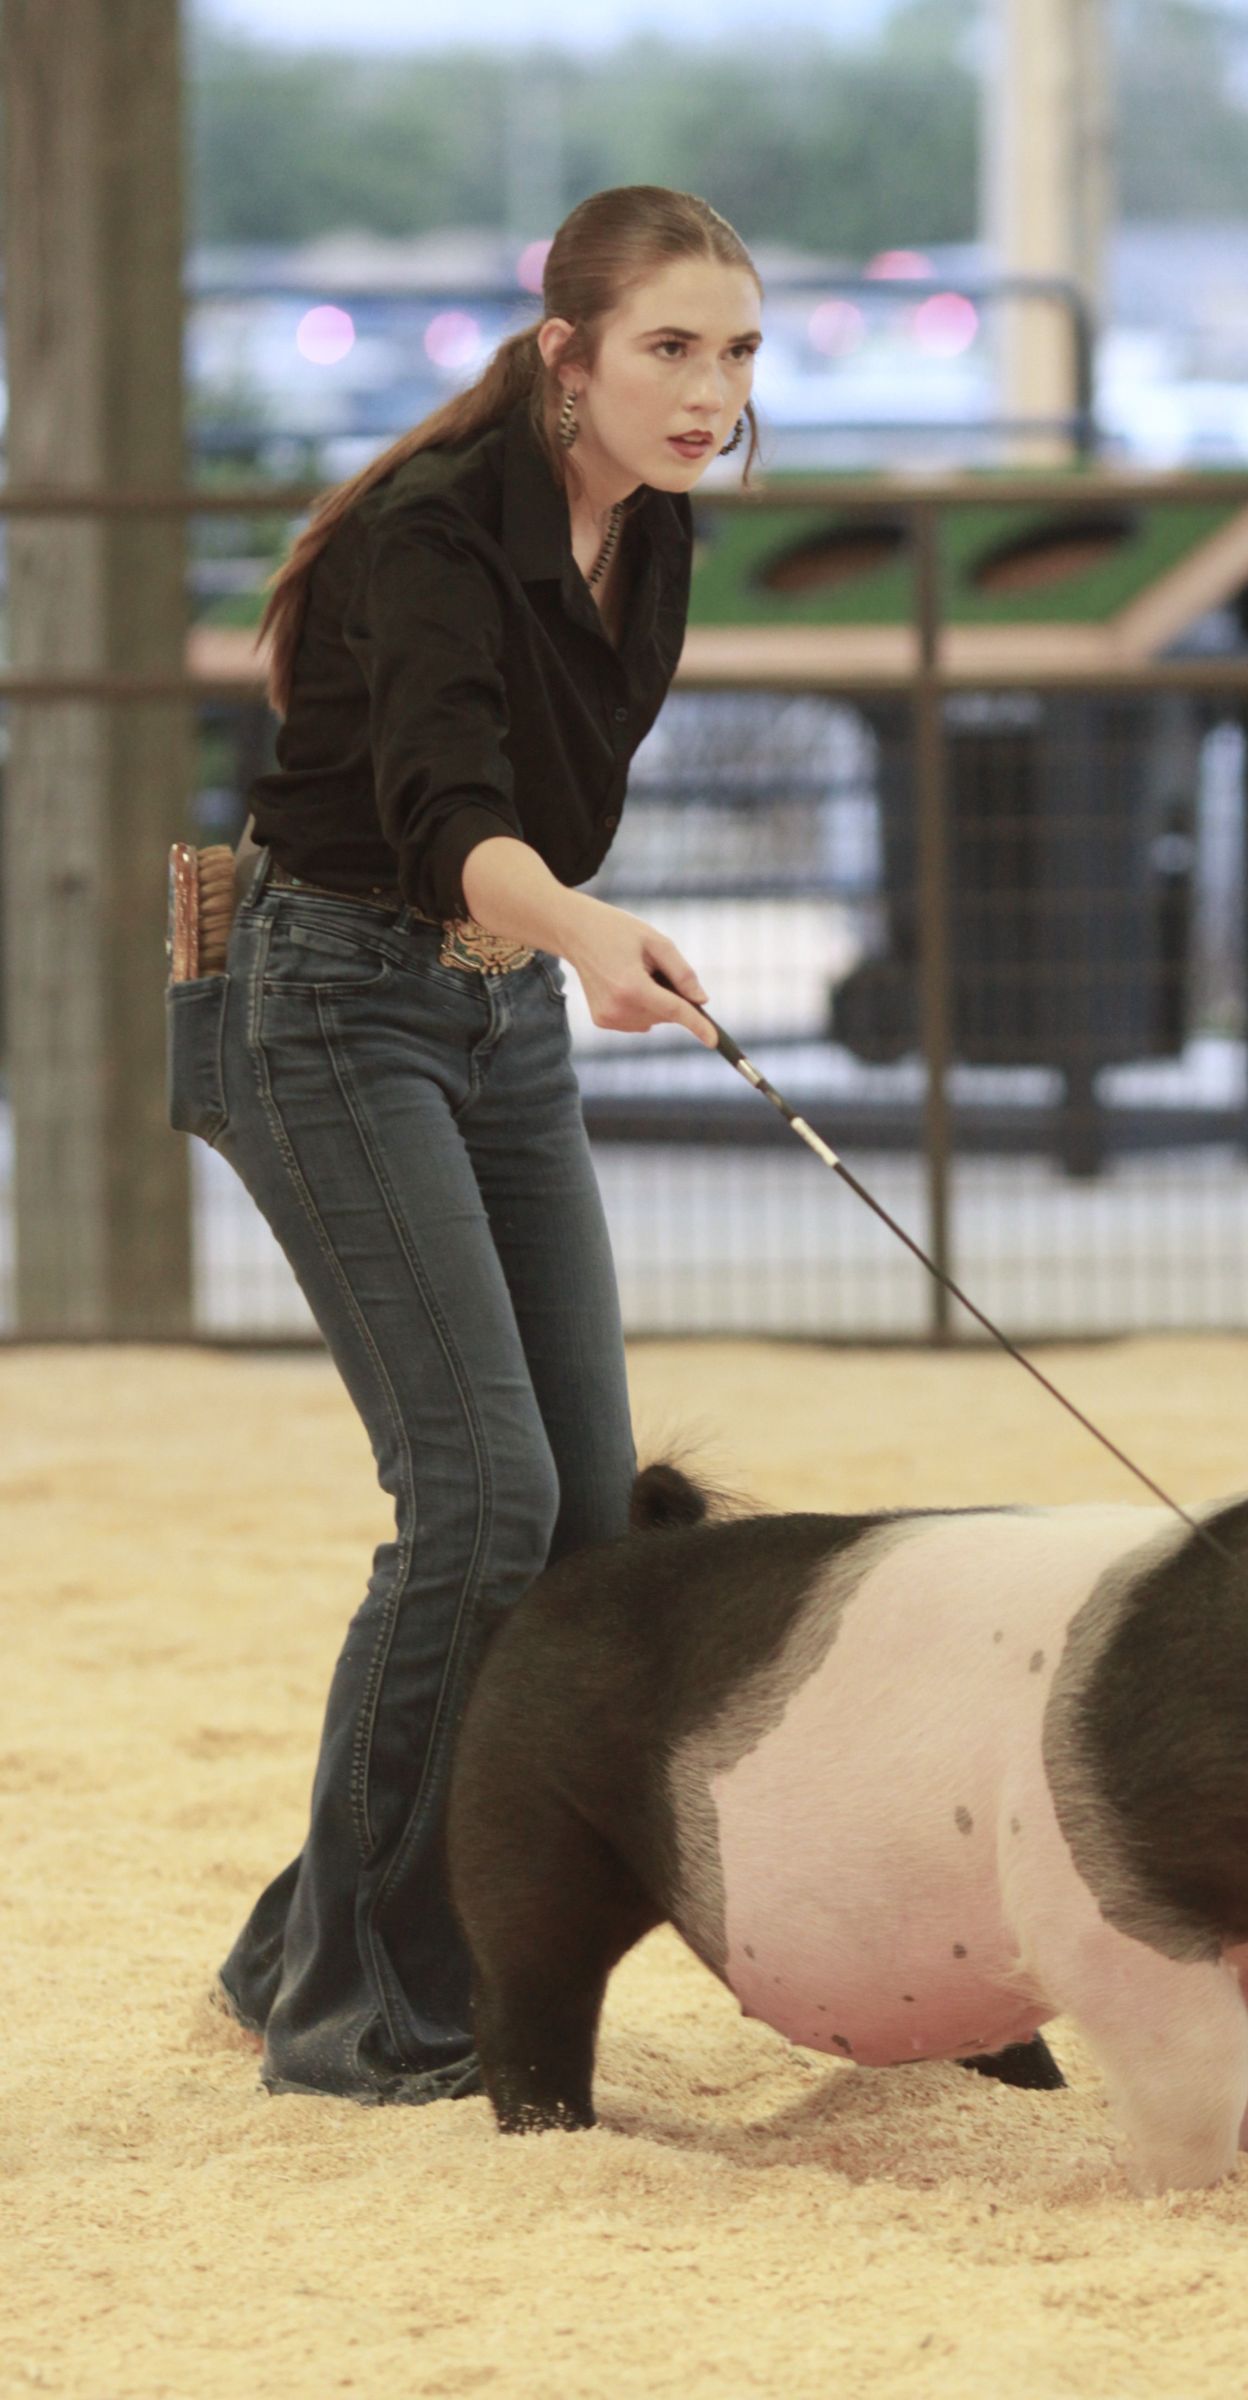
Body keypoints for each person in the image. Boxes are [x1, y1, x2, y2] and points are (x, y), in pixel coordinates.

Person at [170, 184, 764, 2103]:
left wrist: (559, 940)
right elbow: (442, 818)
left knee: (585, 1521)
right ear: (565, 349)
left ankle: (293, 1946)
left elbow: (531, 820)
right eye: (670, 348)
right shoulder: (431, 534)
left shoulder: (653, 530)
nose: (707, 391)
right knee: (483, 1499)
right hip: (327, 994)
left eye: (739, 353)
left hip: (493, 1005)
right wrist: (591, 932)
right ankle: (359, 2013)